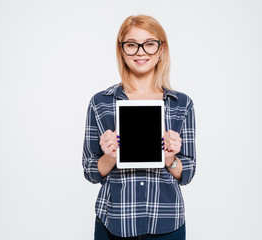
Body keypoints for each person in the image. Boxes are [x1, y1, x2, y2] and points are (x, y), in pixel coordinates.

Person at [82, 15, 196, 240]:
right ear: (122, 50)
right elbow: (90, 171)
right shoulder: (101, 102)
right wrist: (111, 156)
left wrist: (170, 158)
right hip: (114, 222)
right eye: (132, 45)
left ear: (161, 49)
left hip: (166, 222)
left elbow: (189, 171)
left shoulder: (181, 103)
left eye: (149, 44)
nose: (141, 52)